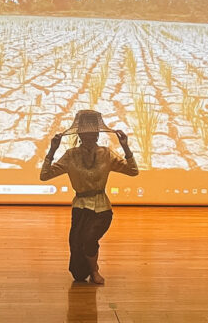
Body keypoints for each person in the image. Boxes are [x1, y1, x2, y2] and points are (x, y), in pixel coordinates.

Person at [40, 110, 139, 284]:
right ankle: (87, 270)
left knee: (89, 239)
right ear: (79, 134)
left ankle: (94, 271)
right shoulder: (71, 155)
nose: (89, 136)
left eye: (93, 133)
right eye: (85, 133)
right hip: (80, 208)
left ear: (97, 135)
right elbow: (45, 175)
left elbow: (132, 171)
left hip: (102, 208)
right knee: (78, 271)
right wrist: (52, 150)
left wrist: (125, 147)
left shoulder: (106, 154)